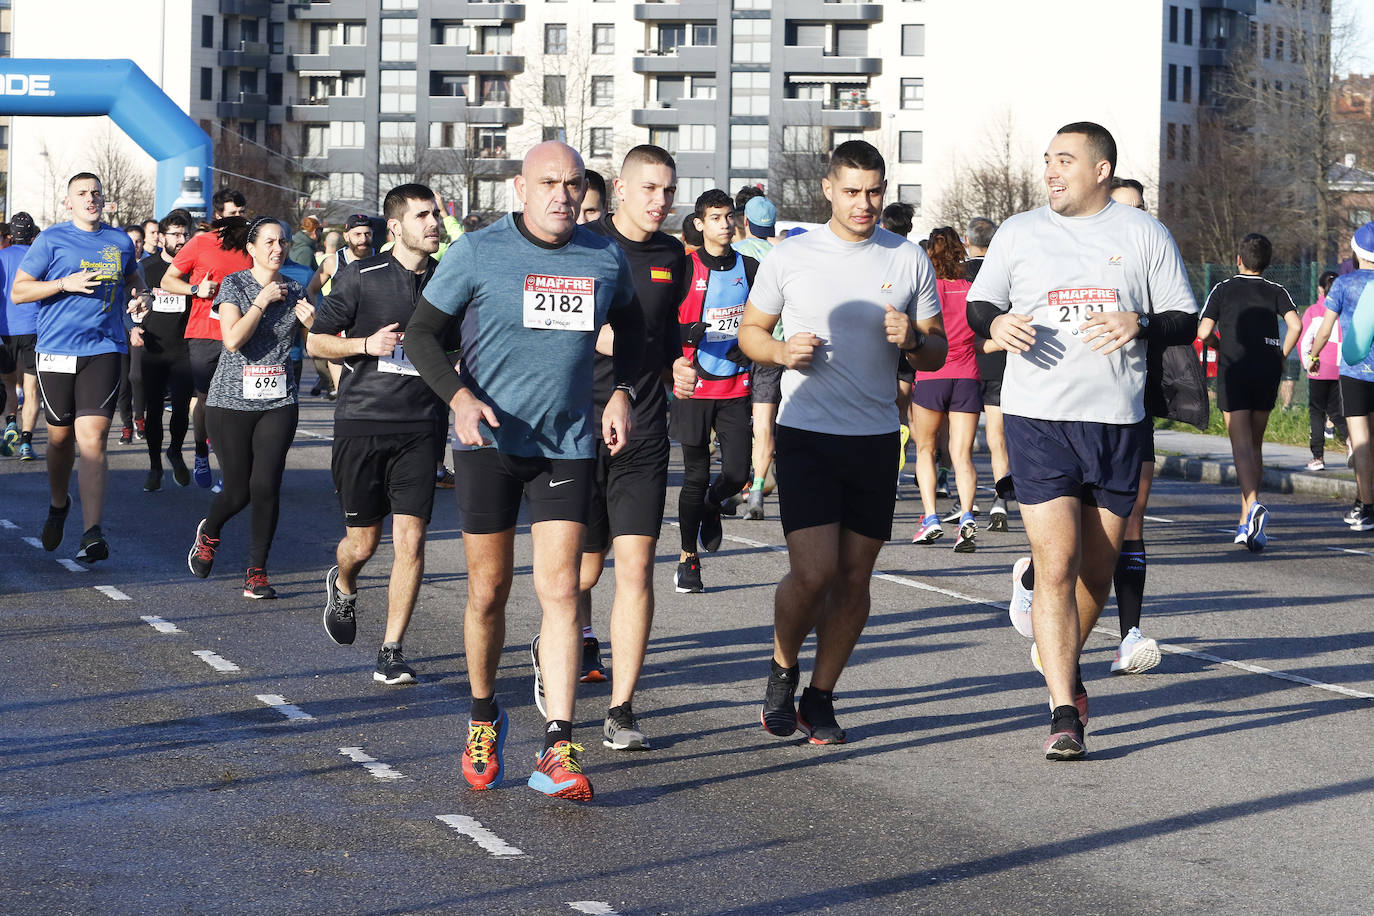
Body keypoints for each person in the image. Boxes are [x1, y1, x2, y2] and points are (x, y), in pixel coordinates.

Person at [404, 141, 645, 801]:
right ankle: (484, 717)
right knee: (488, 593)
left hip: (565, 442)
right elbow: (421, 335)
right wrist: (457, 397)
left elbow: (633, 327)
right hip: (488, 441)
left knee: (562, 591)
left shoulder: (602, 255)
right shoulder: (480, 252)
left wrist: (619, 389)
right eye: (548, 183)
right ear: (520, 187)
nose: (562, 195)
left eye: (572, 184)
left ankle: (558, 745)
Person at [967, 123, 1198, 760]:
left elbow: (1185, 316)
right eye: (1048, 161)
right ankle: (1064, 708)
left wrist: (1141, 321)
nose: (1051, 172)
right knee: (1058, 564)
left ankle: (1056, 653)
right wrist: (1000, 320)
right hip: (1038, 418)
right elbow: (979, 306)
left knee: (1098, 569)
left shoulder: (1144, 233)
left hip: (1117, 422)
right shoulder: (1018, 232)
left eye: (1064, 161)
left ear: (1101, 169)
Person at [739, 140, 946, 745]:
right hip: (806, 432)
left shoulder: (907, 258)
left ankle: (820, 697)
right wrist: (779, 350)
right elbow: (752, 331)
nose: (865, 203)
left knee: (855, 580)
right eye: (852, 191)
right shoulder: (792, 256)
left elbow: (935, 349)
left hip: (876, 438)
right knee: (814, 572)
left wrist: (912, 338)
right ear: (828, 189)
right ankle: (782, 668)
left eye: (875, 191)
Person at [574, 144, 692, 750]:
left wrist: (676, 364)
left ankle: (621, 708)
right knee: (583, 568)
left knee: (638, 567)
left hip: (645, 427)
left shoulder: (676, 257)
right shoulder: (584, 247)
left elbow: (665, 325)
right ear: (620, 188)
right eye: (649, 189)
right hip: (577, 425)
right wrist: (598, 338)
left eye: (669, 191)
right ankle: (560, 641)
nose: (660, 201)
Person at [311, 184, 450, 686]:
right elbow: (315, 341)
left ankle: (391, 650)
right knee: (362, 545)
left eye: (435, 214)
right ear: (396, 227)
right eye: (422, 216)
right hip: (363, 421)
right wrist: (367, 343)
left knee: (410, 541)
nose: (434, 223)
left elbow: (460, 349)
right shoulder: (360, 276)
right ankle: (343, 581)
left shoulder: (447, 278)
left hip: (421, 426)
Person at [12, 173, 152, 561]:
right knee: (59, 439)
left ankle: (92, 533)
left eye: (96, 193)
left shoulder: (120, 240)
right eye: (82, 193)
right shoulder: (51, 239)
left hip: (104, 349)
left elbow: (133, 278)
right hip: (56, 350)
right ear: (68, 201)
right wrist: (63, 284)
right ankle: (60, 504)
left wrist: (142, 298)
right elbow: (19, 291)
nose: (91, 198)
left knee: (92, 439)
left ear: (104, 199)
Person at [186, 218, 314, 598]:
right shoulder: (235, 285)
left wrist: (315, 324)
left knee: (266, 486)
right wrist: (261, 302)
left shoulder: (296, 289)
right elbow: (232, 341)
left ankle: (257, 572)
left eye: (283, 242)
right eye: (270, 241)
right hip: (230, 402)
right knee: (238, 491)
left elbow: (316, 342)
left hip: (278, 400)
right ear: (253, 249)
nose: (278, 248)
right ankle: (209, 531)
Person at [670, 189, 757, 594]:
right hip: (692, 386)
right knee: (695, 476)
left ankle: (710, 507)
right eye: (717, 217)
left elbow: (765, 318)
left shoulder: (750, 267)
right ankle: (689, 559)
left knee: (738, 473)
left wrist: (751, 340)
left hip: (735, 385)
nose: (725, 224)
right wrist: (684, 334)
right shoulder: (683, 268)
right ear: (700, 224)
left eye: (729, 217)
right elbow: (658, 325)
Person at [1196, 233, 1300, 552]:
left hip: (1235, 368)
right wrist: (1280, 357)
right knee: (1255, 444)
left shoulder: (1223, 288)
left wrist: (1218, 345)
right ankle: (1247, 525)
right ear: (1267, 263)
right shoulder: (1277, 290)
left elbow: (1202, 332)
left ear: (1238, 259)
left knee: (1240, 445)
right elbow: (1295, 326)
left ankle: (1253, 506)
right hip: (1267, 368)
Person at [1103, 177, 1163, 675]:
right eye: (1128, 208)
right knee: (1075, 531)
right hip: (1068, 414)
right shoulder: (1071, 251)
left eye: (1141, 208)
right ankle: (1033, 579)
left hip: (1133, 405)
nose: (1137, 217)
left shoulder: (1152, 253)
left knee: (1133, 515)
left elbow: (1181, 319)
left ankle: (1129, 635)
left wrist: (1143, 320)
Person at [161, 191, 254, 490]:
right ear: (218, 215)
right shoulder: (201, 242)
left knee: (237, 402)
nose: (241, 215)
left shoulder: (252, 246)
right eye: (234, 212)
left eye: (243, 210)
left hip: (240, 332)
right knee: (205, 400)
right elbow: (167, 281)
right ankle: (201, 450)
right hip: (204, 332)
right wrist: (196, 289)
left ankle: (231, 468)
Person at [910, 227, 981, 552]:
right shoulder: (971, 289)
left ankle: (930, 518)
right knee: (961, 453)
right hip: (967, 376)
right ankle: (966, 515)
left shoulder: (928, 292)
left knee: (925, 449)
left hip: (932, 375)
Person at [1308, 221, 1374, 530]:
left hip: (1355, 371)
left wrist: (1313, 355)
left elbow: (1324, 329)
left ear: (1355, 251)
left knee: (1361, 442)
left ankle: (1366, 506)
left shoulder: (1344, 284)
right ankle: (1364, 501)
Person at [133, 209, 197, 492]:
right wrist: (133, 326)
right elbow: (132, 301)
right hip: (154, 347)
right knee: (154, 409)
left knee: (182, 409)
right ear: (161, 237)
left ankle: (175, 451)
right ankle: (154, 465)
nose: (181, 239)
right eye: (175, 234)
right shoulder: (147, 268)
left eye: (185, 234)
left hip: (184, 348)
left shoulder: (194, 268)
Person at [730, 195, 781, 520]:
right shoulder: (780, 257)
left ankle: (736, 483)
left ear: (744, 223)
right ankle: (757, 489)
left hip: (735, 346)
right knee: (764, 425)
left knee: (732, 422)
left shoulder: (735, 256)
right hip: (773, 346)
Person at [964, 217, 1011, 529]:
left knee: (960, 442)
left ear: (967, 242)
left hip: (963, 365)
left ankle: (963, 501)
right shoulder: (1006, 274)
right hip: (998, 362)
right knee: (997, 438)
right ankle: (1000, 499)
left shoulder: (958, 274)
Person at [309, 214, 374, 397]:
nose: (363, 240)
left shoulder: (383, 258)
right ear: (346, 236)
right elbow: (311, 290)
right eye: (357, 234)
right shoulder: (333, 261)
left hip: (370, 332)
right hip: (339, 334)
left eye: (367, 234)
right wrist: (318, 318)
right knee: (343, 395)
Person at [1, 212, 42, 461]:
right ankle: (26, 443)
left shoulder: (1, 256)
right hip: (34, 327)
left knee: (7, 383)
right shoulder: (39, 257)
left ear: (10, 236)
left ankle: (10, 423)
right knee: (31, 388)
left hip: (5, 328)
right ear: (33, 235)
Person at [1299, 271, 1347, 470]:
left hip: (1318, 367)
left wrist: (1308, 362)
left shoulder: (1314, 311)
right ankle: (1353, 443)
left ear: (1320, 288)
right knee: (1338, 412)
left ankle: (1317, 457)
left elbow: (1304, 339)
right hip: (1342, 368)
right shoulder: (1345, 310)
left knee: (1317, 412)